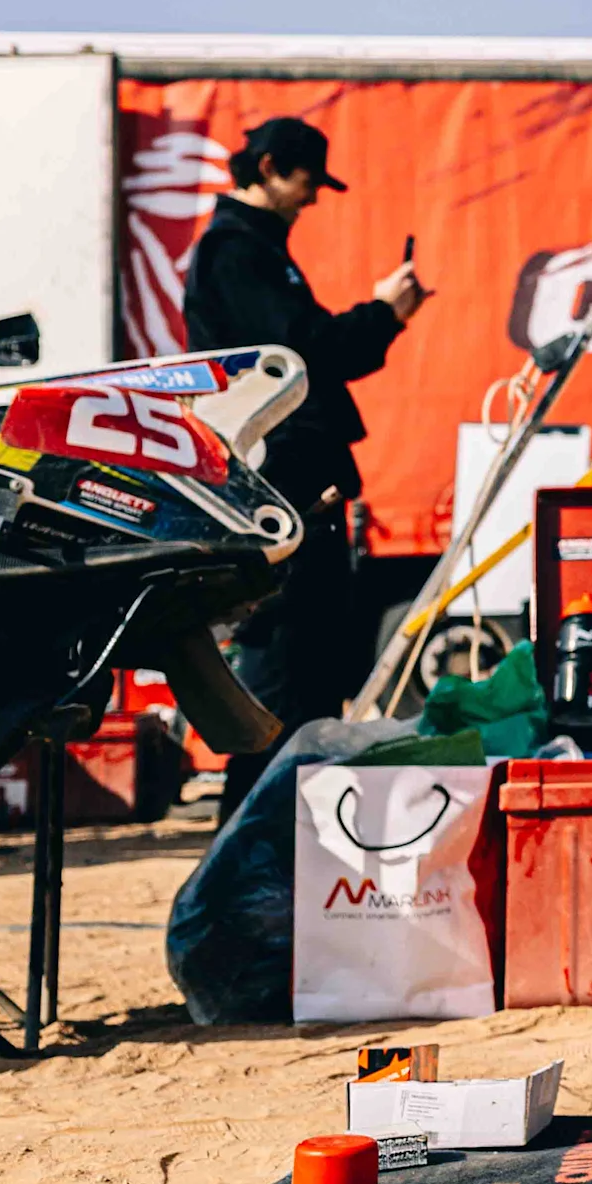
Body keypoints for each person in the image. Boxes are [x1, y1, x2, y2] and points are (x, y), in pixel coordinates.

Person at [182, 117, 427, 757]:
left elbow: (308, 352)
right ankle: (260, 836)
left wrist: (382, 318)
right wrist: (383, 314)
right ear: (267, 169)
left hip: (293, 489)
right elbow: (306, 353)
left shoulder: (255, 248)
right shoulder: (234, 250)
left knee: (311, 681)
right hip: (279, 489)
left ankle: (289, 834)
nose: (314, 197)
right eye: (307, 180)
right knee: (286, 680)